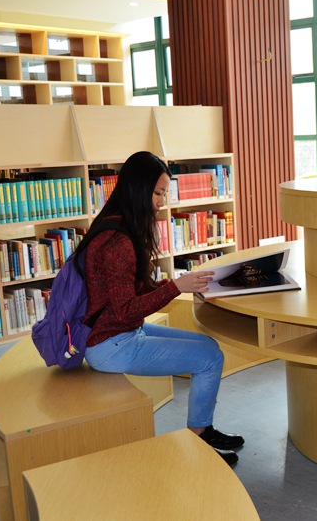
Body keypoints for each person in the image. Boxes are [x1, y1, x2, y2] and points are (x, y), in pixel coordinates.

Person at [74, 151, 244, 466]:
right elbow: (126, 311)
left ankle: (203, 429)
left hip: (120, 333)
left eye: (164, 194)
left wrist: (178, 283)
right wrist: (175, 288)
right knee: (210, 358)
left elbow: (129, 292)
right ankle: (198, 438)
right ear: (138, 190)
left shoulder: (118, 226)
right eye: (157, 193)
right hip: (111, 344)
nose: (161, 202)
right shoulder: (117, 243)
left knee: (209, 346)